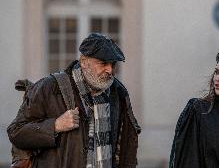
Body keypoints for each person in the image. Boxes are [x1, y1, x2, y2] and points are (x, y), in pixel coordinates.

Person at [7, 33, 141, 168]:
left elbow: (125, 145)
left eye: (113, 64)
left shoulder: (118, 92)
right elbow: (16, 132)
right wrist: (55, 126)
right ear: (83, 62)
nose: (110, 70)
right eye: (103, 63)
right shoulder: (49, 87)